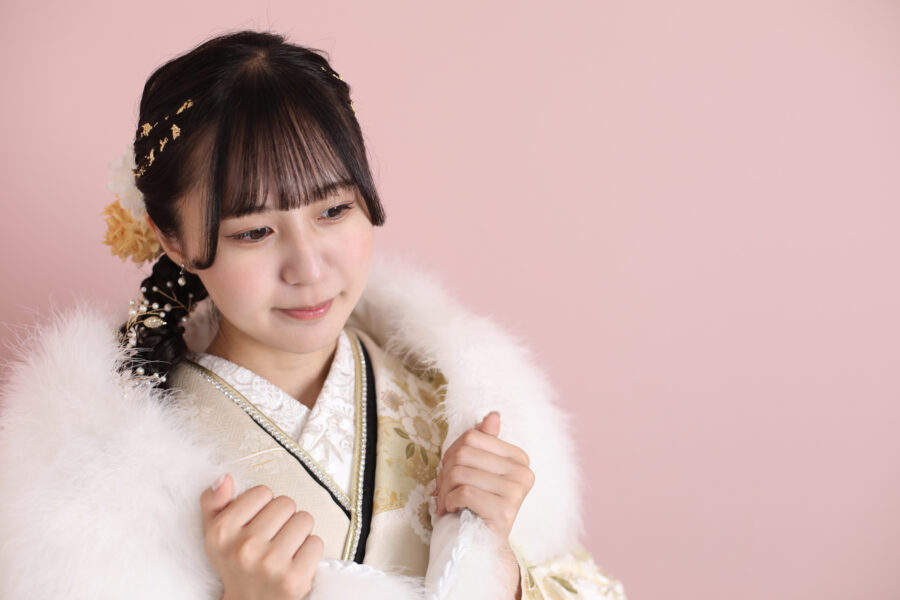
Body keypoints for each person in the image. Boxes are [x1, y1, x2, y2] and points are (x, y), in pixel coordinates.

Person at [0, 31, 625, 600]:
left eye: (333, 211)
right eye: (254, 231)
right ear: (173, 240)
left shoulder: (454, 405)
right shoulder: (101, 478)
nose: (308, 267)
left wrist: (499, 569)